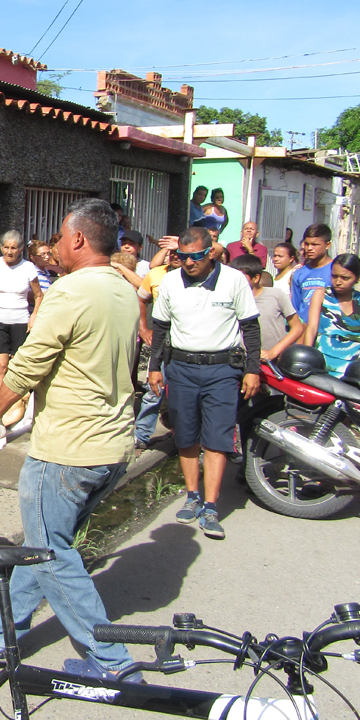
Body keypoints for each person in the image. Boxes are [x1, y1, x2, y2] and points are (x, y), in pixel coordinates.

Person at [0, 198, 143, 681]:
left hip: (69, 452)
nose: (52, 245)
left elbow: (28, 363)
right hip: (112, 446)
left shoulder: (70, 293)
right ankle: (0, 637)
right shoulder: (121, 290)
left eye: (57, 236)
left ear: (77, 239)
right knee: (45, 543)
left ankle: (113, 662)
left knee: (50, 551)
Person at [149, 227, 261, 541]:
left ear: (210, 252)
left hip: (223, 370)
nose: (188, 262)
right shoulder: (171, 280)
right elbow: (160, 327)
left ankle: (211, 505)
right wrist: (154, 367)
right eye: (182, 256)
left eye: (195, 256)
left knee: (217, 437)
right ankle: (192, 496)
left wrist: (253, 369)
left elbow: (250, 327)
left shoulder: (234, 280)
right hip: (182, 368)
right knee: (185, 435)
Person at [0, 229, 44, 394]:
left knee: (17, 367)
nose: (9, 251)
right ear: (1, 248)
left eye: (13, 248)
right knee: (1, 366)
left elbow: (38, 295)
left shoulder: (28, 268)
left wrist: (34, 315)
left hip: (21, 321)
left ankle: (19, 404)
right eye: (6, 247)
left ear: (20, 249)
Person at [303, 253, 360, 378]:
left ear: (357, 278)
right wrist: (306, 357)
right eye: (334, 276)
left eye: (345, 278)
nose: (338, 282)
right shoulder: (321, 295)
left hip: (352, 368)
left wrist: (358, 333)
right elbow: (312, 328)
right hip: (323, 364)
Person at [135, 248, 181, 449]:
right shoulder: (155, 274)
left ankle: (183, 434)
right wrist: (143, 327)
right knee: (154, 389)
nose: (176, 257)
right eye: (173, 253)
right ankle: (142, 434)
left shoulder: (199, 277)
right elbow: (141, 299)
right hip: (161, 340)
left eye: (181, 252)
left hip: (187, 343)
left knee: (182, 392)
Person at [230, 255, 304, 359]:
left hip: (275, 362)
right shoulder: (230, 300)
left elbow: (297, 328)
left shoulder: (276, 295)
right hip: (242, 360)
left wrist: (273, 352)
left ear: (256, 278)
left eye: (241, 276)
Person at [289, 224, 334, 322]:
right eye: (306, 244)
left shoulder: (336, 270)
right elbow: (296, 306)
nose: (309, 248)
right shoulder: (299, 274)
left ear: (327, 245)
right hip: (305, 331)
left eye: (315, 244)